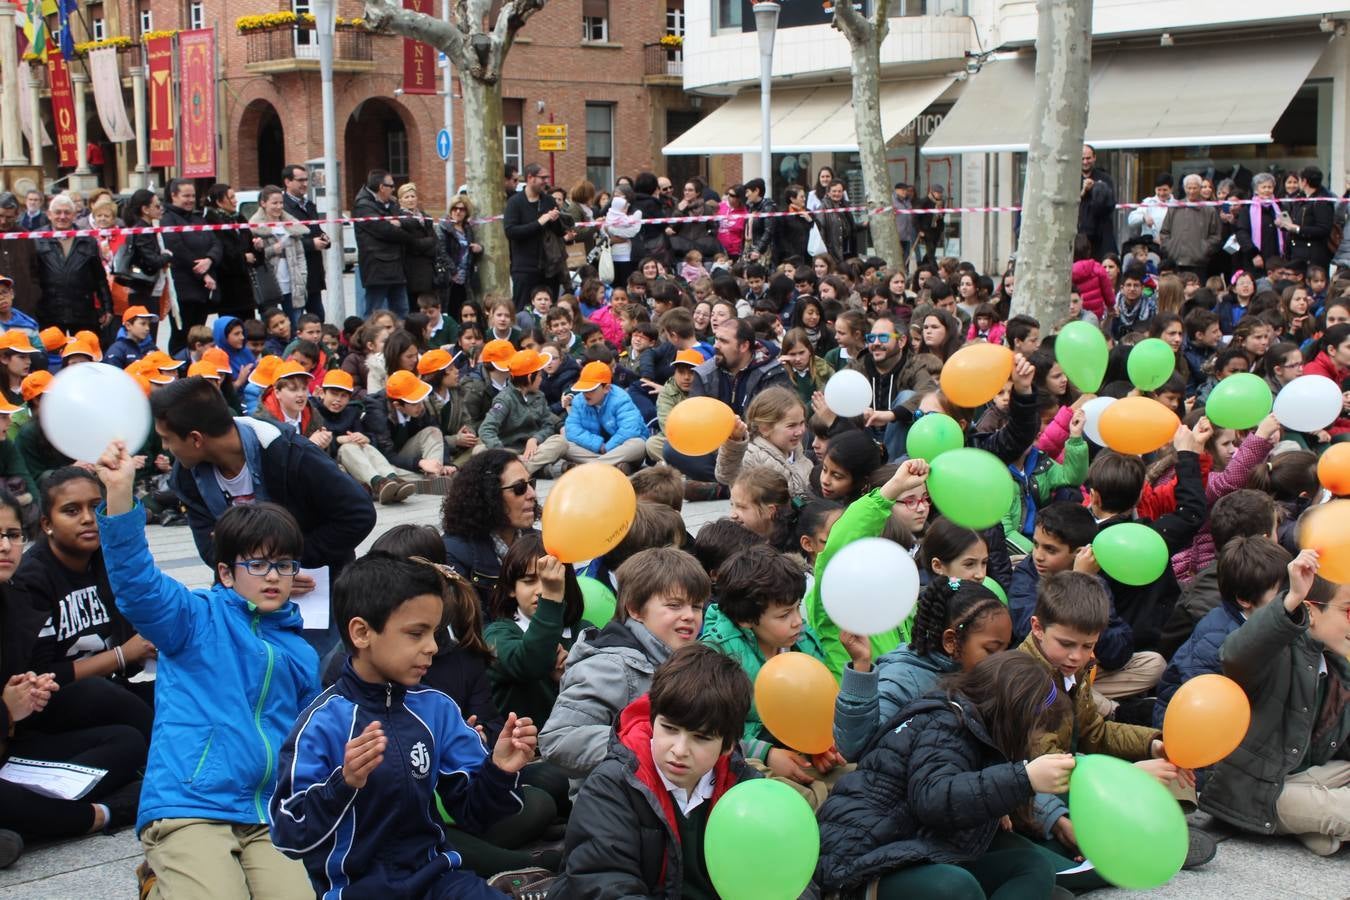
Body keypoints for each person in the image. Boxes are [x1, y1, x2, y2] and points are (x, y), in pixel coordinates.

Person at [93, 440, 319, 899]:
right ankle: (159, 887)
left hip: (264, 814)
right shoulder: (194, 620)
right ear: (225, 572)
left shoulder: (301, 652)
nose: (273, 576)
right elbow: (137, 587)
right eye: (257, 563)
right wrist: (119, 498)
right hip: (190, 804)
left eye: (283, 564)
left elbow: (306, 738)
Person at [269, 553, 536, 898]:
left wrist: (500, 770)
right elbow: (289, 835)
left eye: (435, 632)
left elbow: (473, 813)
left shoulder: (436, 709)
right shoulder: (321, 724)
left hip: (438, 882)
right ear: (362, 632)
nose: (433, 647)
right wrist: (344, 784)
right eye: (416, 633)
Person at [816, 652, 1072, 898]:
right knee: (955, 888)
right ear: (1014, 716)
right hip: (858, 863)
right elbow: (933, 798)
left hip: (911, 847)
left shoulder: (972, 728)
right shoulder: (947, 723)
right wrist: (1021, 779)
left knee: (1035, 870)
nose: (1033, 744)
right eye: (1032, 732)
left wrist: (999, 802)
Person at [550, 644, 764, 898]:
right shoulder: (613, 785)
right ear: (653, 720)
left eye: (701, 738)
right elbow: (604, 882)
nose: (680, 749)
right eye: (670, 729)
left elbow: (783, 872)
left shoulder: (748, 791)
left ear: (728, 745)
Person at [147, 374, 376, 578]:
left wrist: (290, 564)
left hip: (315, 580)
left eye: (167, 439)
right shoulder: (187, 477)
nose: (166, 447)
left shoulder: (290, 454)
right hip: (242, 586)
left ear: (196, 439)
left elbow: (358, 514)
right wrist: (256, 573)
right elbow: (210, 548)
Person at [1200, 550, 1350, 856]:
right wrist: (1291, 597)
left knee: (1333, 816)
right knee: (1341, 811)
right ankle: (1319, 822)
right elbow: (1236, 654)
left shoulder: (1338, 662)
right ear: (1311, 609)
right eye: (1348, 611)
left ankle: (1315, 827)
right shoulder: (1278, 649)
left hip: (1303, 776)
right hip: (1256, 790)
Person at [539, 547, 709, 796]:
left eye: (696, 607)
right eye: (674, 605)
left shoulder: (689, 659)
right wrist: (647, 746)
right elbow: (558, 739)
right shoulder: (611, 666)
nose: (689, 616)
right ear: (635, 609)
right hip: (615, 805)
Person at [836, 578, 1011, 762]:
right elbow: (854, 746)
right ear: (951, 642)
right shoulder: (905, 679)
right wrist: (861, 665)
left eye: (1006, 649)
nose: (1001, 659)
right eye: (991, 650)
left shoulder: (977, 675)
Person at [699, 544, 832, 777]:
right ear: (745, 619)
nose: (798, 621)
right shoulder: (718, 654)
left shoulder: (801, 639)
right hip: (745, 759)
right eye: (784, 615)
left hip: (796, 750)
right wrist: (766, 754)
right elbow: (709, 726)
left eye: (797, 608)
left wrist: (817, 744)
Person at [1153, 537, 1289, 728]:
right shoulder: (1218, 639)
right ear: (1244, 599)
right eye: (1280, 592)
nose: (1290, 597)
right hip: (1183, 725)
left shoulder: (1261, 621)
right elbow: (1200, 699)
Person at [483, 532, 590, 731]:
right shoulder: (497, 635)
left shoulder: (585, 631)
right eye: (529, 580)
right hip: (524, 754)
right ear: (511, 588)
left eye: (551, 581)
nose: (541, 590)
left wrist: (571, 678)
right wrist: (551, 597)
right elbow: (530, 662)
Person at [440, 449, 539, 606]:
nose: (532, 494)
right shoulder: (454, 555)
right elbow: (473, 626)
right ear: (489, 495)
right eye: (519, 488)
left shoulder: (541, 542)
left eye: (531, 484)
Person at [476, 349, 568, 475]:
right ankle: (531, 469)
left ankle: (513, 471)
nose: (541, 379)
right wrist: (501, 452)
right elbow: (486, 429)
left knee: (560, 442)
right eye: (540, 375)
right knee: (479, 450)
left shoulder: (539, 396)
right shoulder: (504, 399)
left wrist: (535, 439)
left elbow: (548, 425)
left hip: (534, 450)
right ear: (530, 377)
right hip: (508, 450)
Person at [715, 386, 812, 499]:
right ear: (765, 428)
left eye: (802, 423)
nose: (800, 431)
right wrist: (734, 443)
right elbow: (727, 475)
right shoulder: (751, 455)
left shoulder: (800, 456)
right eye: (791, 426)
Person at [34, 195, 111, 335]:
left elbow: (99, 277)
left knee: (86, 351)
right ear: (49, 215)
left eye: (67, 212)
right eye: (58, 212)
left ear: (74, 215)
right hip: (49, 311)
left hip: (82, 310)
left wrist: (107, 307)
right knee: (52, 353)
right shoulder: (37, 239)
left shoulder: (88, 240)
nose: (62, 217)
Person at [160, 179, 221, 353]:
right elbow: (177, 249)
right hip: (183, 287)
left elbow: (215, 242)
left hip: (202, 288)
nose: (190, 200)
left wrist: (210, 259)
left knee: (198, 334)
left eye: (193, 196)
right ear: (174, 196)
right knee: (181, 334)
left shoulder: (198, 218)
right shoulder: (167, 219)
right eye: (185, 196)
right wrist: (203, 273)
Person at [363, 370, 457, 479]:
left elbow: (435, 428)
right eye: (415, 403)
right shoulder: (377, 412)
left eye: (421, 400)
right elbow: (387, 454)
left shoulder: (418, 406)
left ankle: (436, 475)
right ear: (398, 406)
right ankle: (432, 480)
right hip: (386, 460)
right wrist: (419, 463)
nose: (421, 406)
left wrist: (446, 462)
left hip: (408, 451)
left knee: (433, 431)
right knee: (394, 474)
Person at [563, 360, 648, 470]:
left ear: (606, 388)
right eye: (584, 389)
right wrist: (598, 445)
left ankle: (589, 466)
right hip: (595, 450)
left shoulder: (621, 398)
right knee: (564, 444)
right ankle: (612, 465)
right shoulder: (579, 400)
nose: (586, 394)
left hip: (619, 448)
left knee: (639, 444)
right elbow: (572, 429)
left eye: (591, 389)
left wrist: (607, 447)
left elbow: (630, 430)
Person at [504, 163, 566, 309]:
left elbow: (559, 232)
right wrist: (539, 222)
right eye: (542, 178)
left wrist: (556, 220)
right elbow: (511, 231)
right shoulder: (515, 202)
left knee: (550, 312)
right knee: (523, 311)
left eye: (547, 178)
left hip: (549, 269)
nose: (546, 181)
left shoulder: (549, 201)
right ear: (530, 178)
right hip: (524, 269)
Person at [249, 185, 310, 327]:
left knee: (294, 325)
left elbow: (300, 254)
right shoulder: (255, 227)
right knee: (272, 326)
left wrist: (302, 275)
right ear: (263, 203)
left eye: (281, 203)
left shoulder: (290, 225)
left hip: (292, 282)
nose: (278, 206)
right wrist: (271, 250)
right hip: (270, 283)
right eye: (274, 203)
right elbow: (254, 257)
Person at [353, 169, 411, 316]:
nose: (394, 189)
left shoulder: (391, 203)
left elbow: (407, 220)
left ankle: (401, 339)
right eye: (391, 186)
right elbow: (384, 230)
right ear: (381, 187)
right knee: (375, 312)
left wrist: (400, 224)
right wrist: (397, 228)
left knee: (402, 310)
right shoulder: (363, 205)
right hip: (377, 268)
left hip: (396, 266)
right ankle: (370, 338)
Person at [281, 163, 330, 323]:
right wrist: (311, 244)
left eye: (306, 180)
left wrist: (324, 238)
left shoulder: (309, 205)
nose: (304, 184)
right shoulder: (283, 207)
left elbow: (315, 229)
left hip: (314, 272)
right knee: (296, 322)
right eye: (300, 180)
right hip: (295, 274)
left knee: (318, 319)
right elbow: (285, 240)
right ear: (287, 182)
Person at [1160, 174, 1222, 277]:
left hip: (1199, 264)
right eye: (1189, 188)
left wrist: (1203, 250)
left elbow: (1216, 236)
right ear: (1184, 188)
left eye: (1195, 188)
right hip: (1175, 261)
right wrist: (1170, 248)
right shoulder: (1175, 207)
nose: (1192, 191)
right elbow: (1165, 232)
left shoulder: (1209, 209)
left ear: (1199, 188)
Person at [1283, 165, 1336, 271]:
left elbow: (1324, 229)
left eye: (1298, 180)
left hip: (1313, 255)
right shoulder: (1299, 197)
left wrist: (1297, 229)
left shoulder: (1321, 201)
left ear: (1304, 181)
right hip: (1296, 252)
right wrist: (1284, 224)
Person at [443, 195, 483, 312]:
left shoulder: (467, 228)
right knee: (450, 308)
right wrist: (453, 271)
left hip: (465, 277)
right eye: (455, 208)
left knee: (463, 309)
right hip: (450, 277)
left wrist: (480, 249)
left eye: (462, 209)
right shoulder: (444, 226)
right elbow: (441, 251)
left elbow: (470, 249)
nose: (458, 211)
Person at [1078, 144, 1116, 259]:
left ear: (1094, 157)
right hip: (1080, 235)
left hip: (1102, 235)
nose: (1085, 162)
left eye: (1088, 158)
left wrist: (1097, 189)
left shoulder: (1105, 178)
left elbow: (1110, 205)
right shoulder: (1071, 179)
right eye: (1082, 159)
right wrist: (1083, 192)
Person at [1126, 172, 1174, 242]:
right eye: (1159, 190)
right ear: (1155, 189)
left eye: (1165, 190)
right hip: (1150, 245)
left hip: (1170, 245)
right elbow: (1131, 221)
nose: (1161, 193)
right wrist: (1143, 217)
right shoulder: (1148, 203)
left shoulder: (1177, 205)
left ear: (1171, 189)